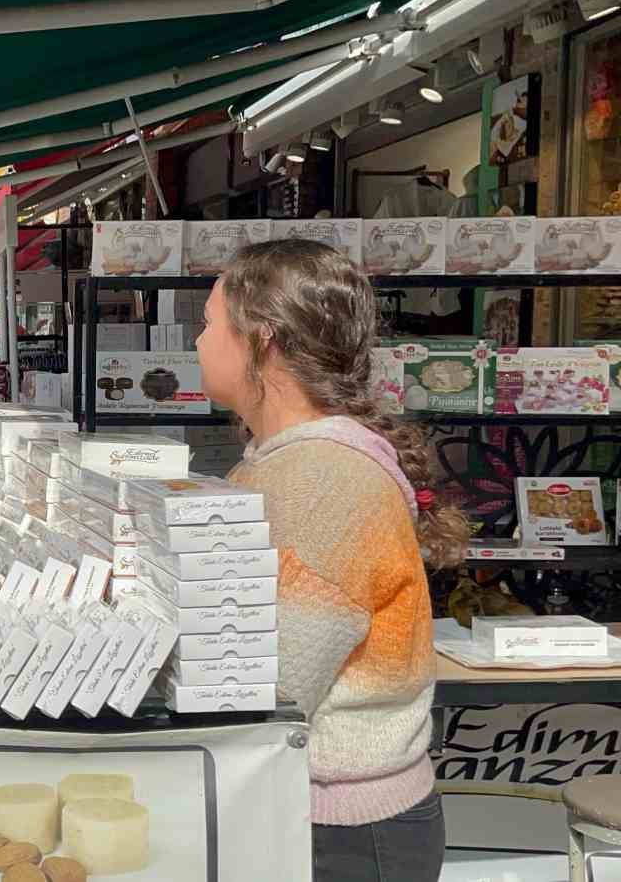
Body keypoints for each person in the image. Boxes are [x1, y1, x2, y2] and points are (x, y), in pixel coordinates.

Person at [195, 239, 468, 882]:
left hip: (342, 832)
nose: (200, 341)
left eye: (209, 323)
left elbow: (271, 677)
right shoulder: (286, 463)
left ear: (261, 340)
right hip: (328, 818)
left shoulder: (321, 482)